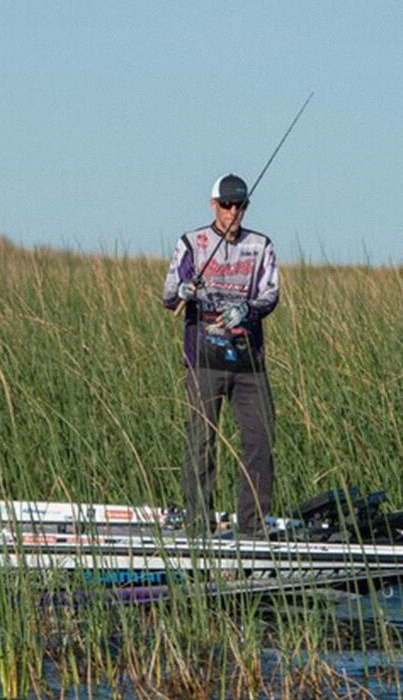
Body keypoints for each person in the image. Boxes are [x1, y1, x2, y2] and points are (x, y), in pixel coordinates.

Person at [162, 174, 280, 537]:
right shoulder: (192, 243)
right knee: (201, 442)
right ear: (213, 204)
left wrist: (247, 310)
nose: (233, 212)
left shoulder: (261, 246)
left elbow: (270, 294)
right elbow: (170, 297)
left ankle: (252, 529)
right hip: (203, 361)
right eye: (226, 204)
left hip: (248, 364)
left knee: (260, 443)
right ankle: (199, 527)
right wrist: (185, 289)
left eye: (240, 205)